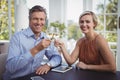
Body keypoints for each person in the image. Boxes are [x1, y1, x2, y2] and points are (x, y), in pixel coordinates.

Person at [3, 5, 62, 79]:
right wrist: (36, 49)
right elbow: (10, 67)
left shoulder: (45, 38)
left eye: (42, 19)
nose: (39, 22)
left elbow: (57, 57)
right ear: (29, 19)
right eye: (35, 19)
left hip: (34, 77)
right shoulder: (17, 37)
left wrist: (48, 65)